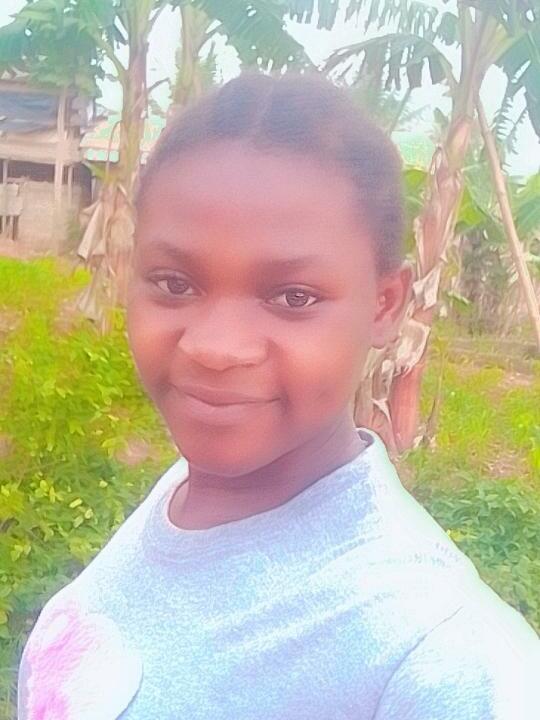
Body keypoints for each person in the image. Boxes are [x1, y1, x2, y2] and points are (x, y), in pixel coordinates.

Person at [17, 73, 540, 720]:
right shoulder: (192, 494)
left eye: (293, 297)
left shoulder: (438, 665)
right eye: (175, 283)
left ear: (385, 305)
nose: (215, 347)